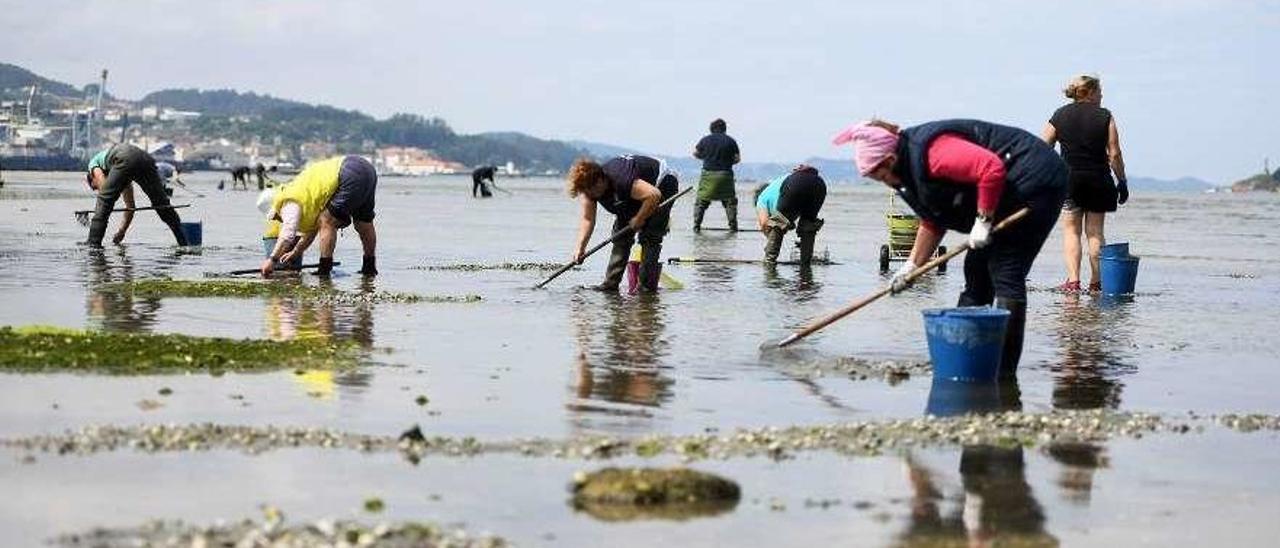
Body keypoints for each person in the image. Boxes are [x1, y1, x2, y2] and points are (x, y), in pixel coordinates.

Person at [834, 119, 1067, 379]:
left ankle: (1004, 374)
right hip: (1005, 192)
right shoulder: (906, 175)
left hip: (1033, 180)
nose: (881, 181)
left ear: (889, 159)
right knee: (976, 273)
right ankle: (965, 357)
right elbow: (933, 220)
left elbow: (990, 168)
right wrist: (912, 266)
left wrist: (983, 220)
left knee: (1005, 270)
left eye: (878, 175)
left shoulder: (932, 152)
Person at [1042, 74, 1129, 293]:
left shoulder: (1060, 115)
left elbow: (1043, 147)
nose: (1101, 96)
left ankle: (1073, 282)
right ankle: (1097, 282)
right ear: (1089, 92)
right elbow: (1115, 154)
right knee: (1095, 232)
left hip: (1070, 182)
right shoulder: (1105, 116)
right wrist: (1122, 181)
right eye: (1099, 92)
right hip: (1098, 181)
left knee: (1071, 232)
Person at [566, 155, 678, 292]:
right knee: (620, 237)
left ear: (601, 180)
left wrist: (639, 218)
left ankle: (645, 288)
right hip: (634, 194)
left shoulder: (621, 179)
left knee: (650, 237)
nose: (591, 195)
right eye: (586, 192)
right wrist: (580, 248)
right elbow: (588, 219)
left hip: (662, 183)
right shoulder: (588, 190)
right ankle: (610, 284)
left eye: (592, 190)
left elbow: (654, 195)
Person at [258, 155, 379, 278]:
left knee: (326, 221)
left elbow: (287, 235)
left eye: (275, 217)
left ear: (275, 208)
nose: (277, 220)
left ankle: (324, 269)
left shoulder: (289, 202)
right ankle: (369, 267)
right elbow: (311, 232)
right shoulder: (298, 191)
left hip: (347, 173)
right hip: (367, 169)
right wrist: (296, 252)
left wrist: (272, 260)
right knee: (363, 222)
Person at [83, 143, 189, 247]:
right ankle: (184, 243)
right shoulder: (121, 175)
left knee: (104, 202)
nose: (97, 190)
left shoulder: (93, 164)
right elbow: (131, 207)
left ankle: (93, 244)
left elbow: (104, 192)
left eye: (94, 187)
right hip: (145, 159)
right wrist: (122, 231)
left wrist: (104, 201)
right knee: (162, 204)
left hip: (124, 157)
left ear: (92, 177)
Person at [753, 165, 826, 267]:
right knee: (808, 226)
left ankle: (769, 262)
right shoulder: (776, 186)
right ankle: (806, 263)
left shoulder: (761, 199)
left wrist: (770, 243)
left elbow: (765, 223)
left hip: (795, 183)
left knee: (778, 223)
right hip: (819, 184)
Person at [691, 118, 740, 231]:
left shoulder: (705, 140)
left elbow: (695, 153)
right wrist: (727, 161)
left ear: (711, 129)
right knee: (729, 202)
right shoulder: (731, 141)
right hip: (725, 175)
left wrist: (706, 157)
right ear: (724, 129)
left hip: (708, 175)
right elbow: (737, 159)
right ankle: (733, 227)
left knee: (701, 201)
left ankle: (696, 226)